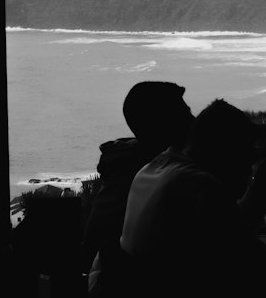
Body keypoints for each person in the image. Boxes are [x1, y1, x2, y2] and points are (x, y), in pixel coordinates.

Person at [93, 99, 266, 298]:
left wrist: (261, 180)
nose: (250, 162)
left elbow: (231, 228)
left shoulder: (156, 168)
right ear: (225, 151)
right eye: (247, 152)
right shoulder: (199, 186)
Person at [81, 81, 194, 273]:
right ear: (163, 124)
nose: (193, 121)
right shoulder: (156, 176)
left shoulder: (127, 166)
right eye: (184, 115)